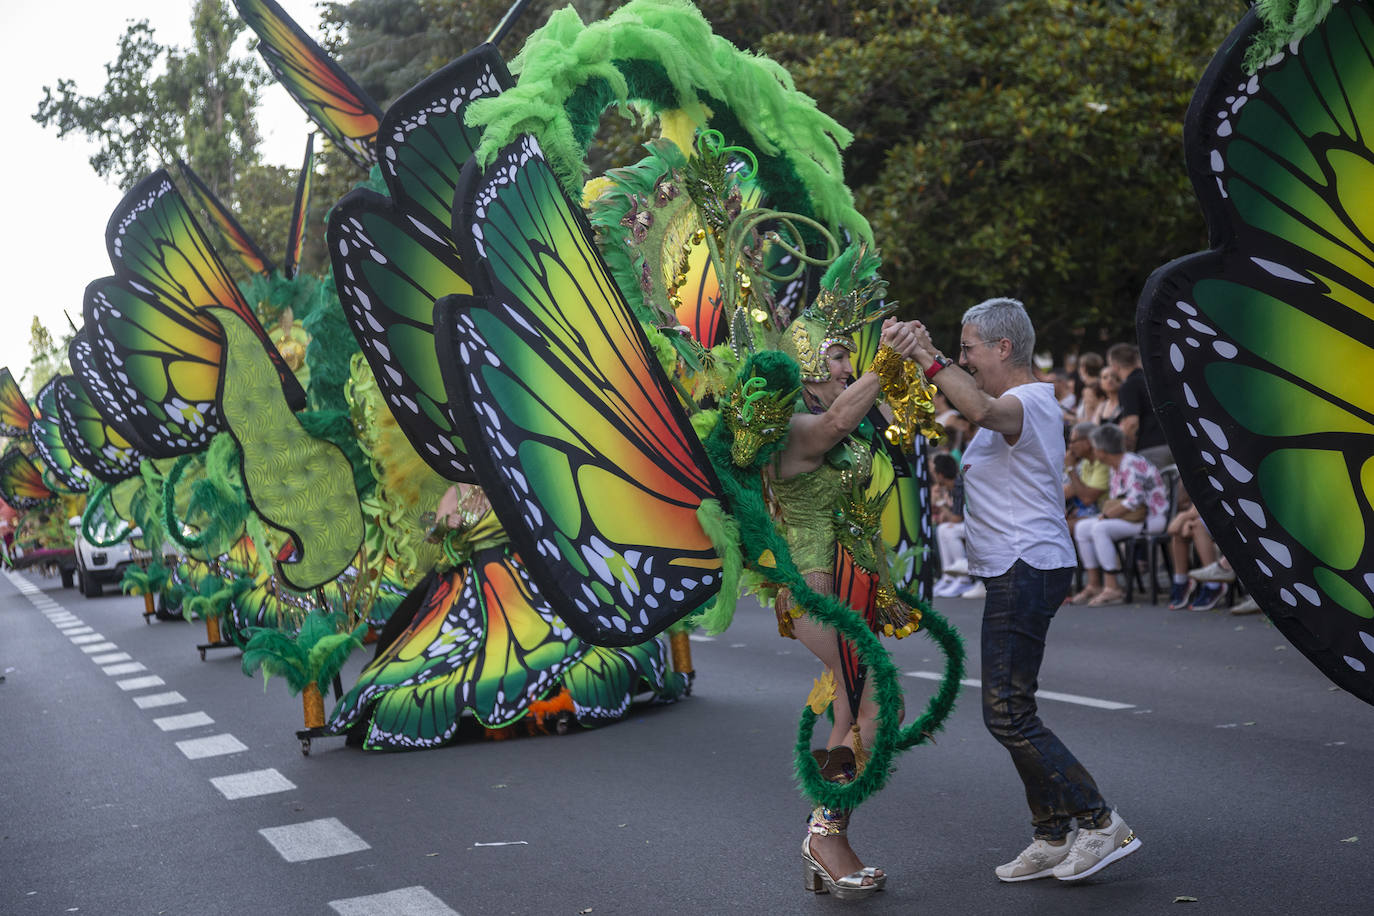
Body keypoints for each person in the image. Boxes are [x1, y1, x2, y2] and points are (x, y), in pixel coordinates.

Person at [910, 297, 1140, 883]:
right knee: (1014, 709)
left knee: (1007, 714)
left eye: (970, 350)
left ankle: (1098, 819)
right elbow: (972, 404)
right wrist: (929, 356)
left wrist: (929, 359)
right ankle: (1052, 833)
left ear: (1003, 348)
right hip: (1018, 567)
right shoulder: (1011, 403)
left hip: (1026, 566)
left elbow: (984, 409)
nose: (965, 360)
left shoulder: (1027, 402)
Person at [769, 310, 926, 899]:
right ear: (807, 370)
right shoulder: (791, 428)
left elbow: (897, 431)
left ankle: (827, 845)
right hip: (815, 588)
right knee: (881, 703)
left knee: (848, 710)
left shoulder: (839, 423)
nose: (846, 366)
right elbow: (838, 419)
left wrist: (910, 358)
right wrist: (887, 358)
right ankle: (823, 832)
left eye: (847, 356)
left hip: (852, 582)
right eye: (836, 357)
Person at [1068, 424, 1168, 606]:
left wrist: (1106, 516)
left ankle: (1112, 588)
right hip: (1131, 517)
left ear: (1102, 449)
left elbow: (1135, 500)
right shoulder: (1116, 466)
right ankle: (1094, 584)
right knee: (1082, 528)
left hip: (1151, 517)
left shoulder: (1130, 462)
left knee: (1100, 528)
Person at [1107, 343, 1171, 468]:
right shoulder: (1150, 379)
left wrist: (1127, 451)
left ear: (1115, 366)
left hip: (1150, 448)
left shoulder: (1129, 386)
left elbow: (1131, 423)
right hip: (1170, 443)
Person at [931, 452, 978, 597]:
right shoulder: (953, 486)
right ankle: (949, 576)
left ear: (940, 475)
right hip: (970, 524)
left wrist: (940, 503)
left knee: (948, 531)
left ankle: (962, 577)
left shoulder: (958, 484)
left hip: (977, 525)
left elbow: (957, 518)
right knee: (943, 529)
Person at [1063, 421, 1109, 535]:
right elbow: (1072, 490)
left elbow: (1087, 499)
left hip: (1110, 513)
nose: (1070, 446)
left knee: (1060, 529)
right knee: (1058, 523)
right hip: (1095, 512)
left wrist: (1070, 468)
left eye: (1073, 441)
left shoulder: (1103, 461)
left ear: (1088, 442)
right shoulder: (1086, 462)